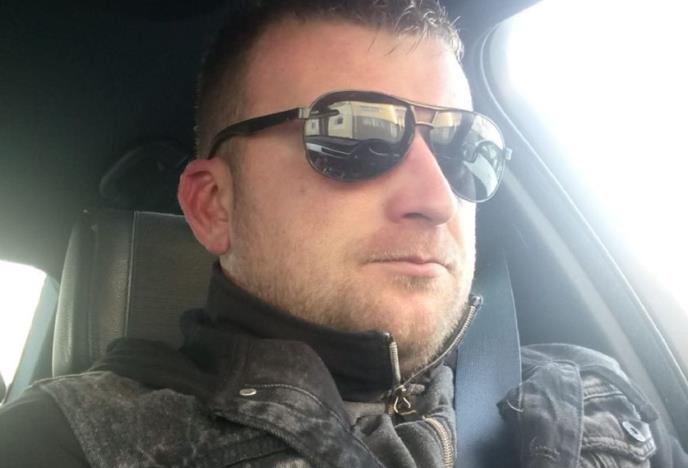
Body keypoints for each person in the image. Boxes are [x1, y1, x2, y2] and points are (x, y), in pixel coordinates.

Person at [0, 1, 686, 467]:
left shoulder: (591, 392)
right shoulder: (72, 443)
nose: (435, 199)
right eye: (356, 136)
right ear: (213, 206)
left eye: (463, 148)